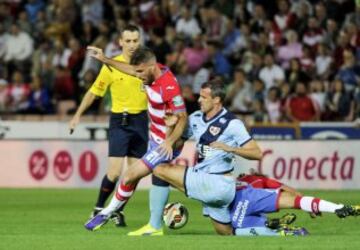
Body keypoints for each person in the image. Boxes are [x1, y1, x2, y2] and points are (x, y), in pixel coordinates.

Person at [84, 46, 188, 235]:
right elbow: (131, 69)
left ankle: (107, 212)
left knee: (129, 175)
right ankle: (155, 226)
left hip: (165, 143)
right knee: (160, 178)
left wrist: (169, 141)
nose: (137, 76)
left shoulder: (169, 86)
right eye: (137, 71)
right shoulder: (150, 72)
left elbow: (183, 118)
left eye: (140, 71)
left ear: (150, 66)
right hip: (154, 138)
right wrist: (106, 59)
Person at [151, 79, 263, 235]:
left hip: (217, 182)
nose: (198, 100)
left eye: (203, 97)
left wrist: (230, 148)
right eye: (199, 96)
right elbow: (175, 146)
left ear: (216, 100)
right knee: (227, 233)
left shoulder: (232, 123)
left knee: (158, 169)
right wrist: (170, 128)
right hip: (209, 184)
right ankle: (277, 231)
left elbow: (257, 153)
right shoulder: (195, 118)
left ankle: (154, 225)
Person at [69, 25, 147, 227]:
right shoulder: (111, 65)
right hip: (119, 121)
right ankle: (98, 208)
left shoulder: (147, 66)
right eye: (127, 41)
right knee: (113, 172)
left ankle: (116, 211)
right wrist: (78, 115)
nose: (131, 45)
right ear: (120, 42)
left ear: (140, 42)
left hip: (141, 121)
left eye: (135, 40)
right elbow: (94, 92)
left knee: (134, 175)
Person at [229, 175, 360, 236]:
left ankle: (279, 228)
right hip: (251, 200)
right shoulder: (260, 180)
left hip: (235, 212)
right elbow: (293, 193)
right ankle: (338, 208)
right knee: (294, 200)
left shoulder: (239, 181)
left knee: (234, 231)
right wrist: (308, 207)